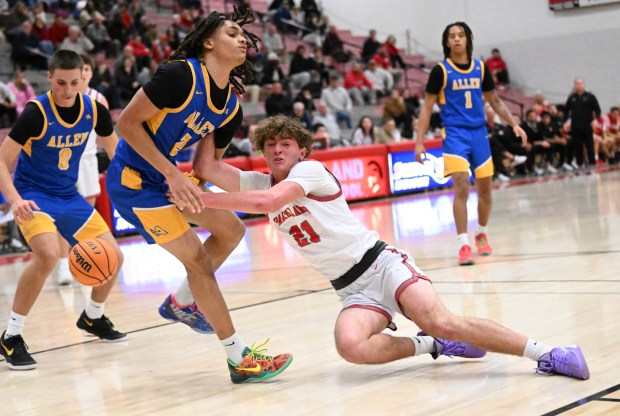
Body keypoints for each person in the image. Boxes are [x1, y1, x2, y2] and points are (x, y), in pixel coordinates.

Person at [188, 115, 590, 381]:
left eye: (287, 144)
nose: (278, 149)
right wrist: (209, 117)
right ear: (263, 151)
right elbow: (206, 169)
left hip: (381, 264)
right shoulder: (259, 182)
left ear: (302, 151)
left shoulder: (308, 172)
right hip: (350, 288)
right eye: (271, 144)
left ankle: (548, 352)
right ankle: (432, 346)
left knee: (443, 319)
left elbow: (269, 204)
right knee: (351, 347)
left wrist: (199, 200)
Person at [106, 7, 292, 384]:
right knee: (200, 262)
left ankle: (181, 302)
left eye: (244, 35)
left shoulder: (229, 107)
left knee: (232, 230)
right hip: (133, 185)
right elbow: (125, 123)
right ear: (208, 42)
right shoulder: (180, 74)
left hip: (168, 180)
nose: (242, 38)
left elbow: (208, 169)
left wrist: (271, 184)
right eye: (232, 32)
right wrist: (173, 174)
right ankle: (239, 359)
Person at [0, 50, 127, 371]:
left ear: (83, 78)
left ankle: (93, 317)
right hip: (33, 195)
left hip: (68, 196)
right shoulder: (35, 113)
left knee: (115, 257)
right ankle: (11, 335)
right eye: (60, 83)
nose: (67, 91)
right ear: (49, 78)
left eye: (74, 83)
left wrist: (134, 182)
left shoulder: (94, 109)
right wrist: (14, 199)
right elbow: (2, 160)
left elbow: (116, 151)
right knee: (45, 255)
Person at [415, 22, 527, 266]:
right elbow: (426, 108)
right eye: (452, 36)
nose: (457, 39)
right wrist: (419, 141)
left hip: (479, 134)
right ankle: (463, 243)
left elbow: (494, 100)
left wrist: (513, 123)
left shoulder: (481, 68)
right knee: (462, 184)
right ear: (446, 42)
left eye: (461, 35)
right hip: (454, 133)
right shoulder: (440, 71)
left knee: (485, 188)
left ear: (468, 40)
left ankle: (482, 233)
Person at [55, 53, 112, 286]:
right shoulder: (60, 98)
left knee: (86, 215)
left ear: (89, 73)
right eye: (83, 69)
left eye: (88, 69)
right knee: (61, 215)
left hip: (87, 159)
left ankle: (84, 260)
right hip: (62, 161)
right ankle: (62, 265)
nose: (85, 73)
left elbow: (105, 136)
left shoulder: (99, 99)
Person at [564, 77, 601, 169]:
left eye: (581, 83)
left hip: (587, 125)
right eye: (577, 83)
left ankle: (592, 164)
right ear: (574, 85)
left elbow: (597, 109)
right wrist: (565, 122)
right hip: (575, 126)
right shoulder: (571, 97)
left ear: (584, 85)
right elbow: (566, 111)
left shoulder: (590, 97)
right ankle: (579, 164)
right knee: (577, 146)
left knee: (590, 146)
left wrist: (595, 119)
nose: (579, 85)